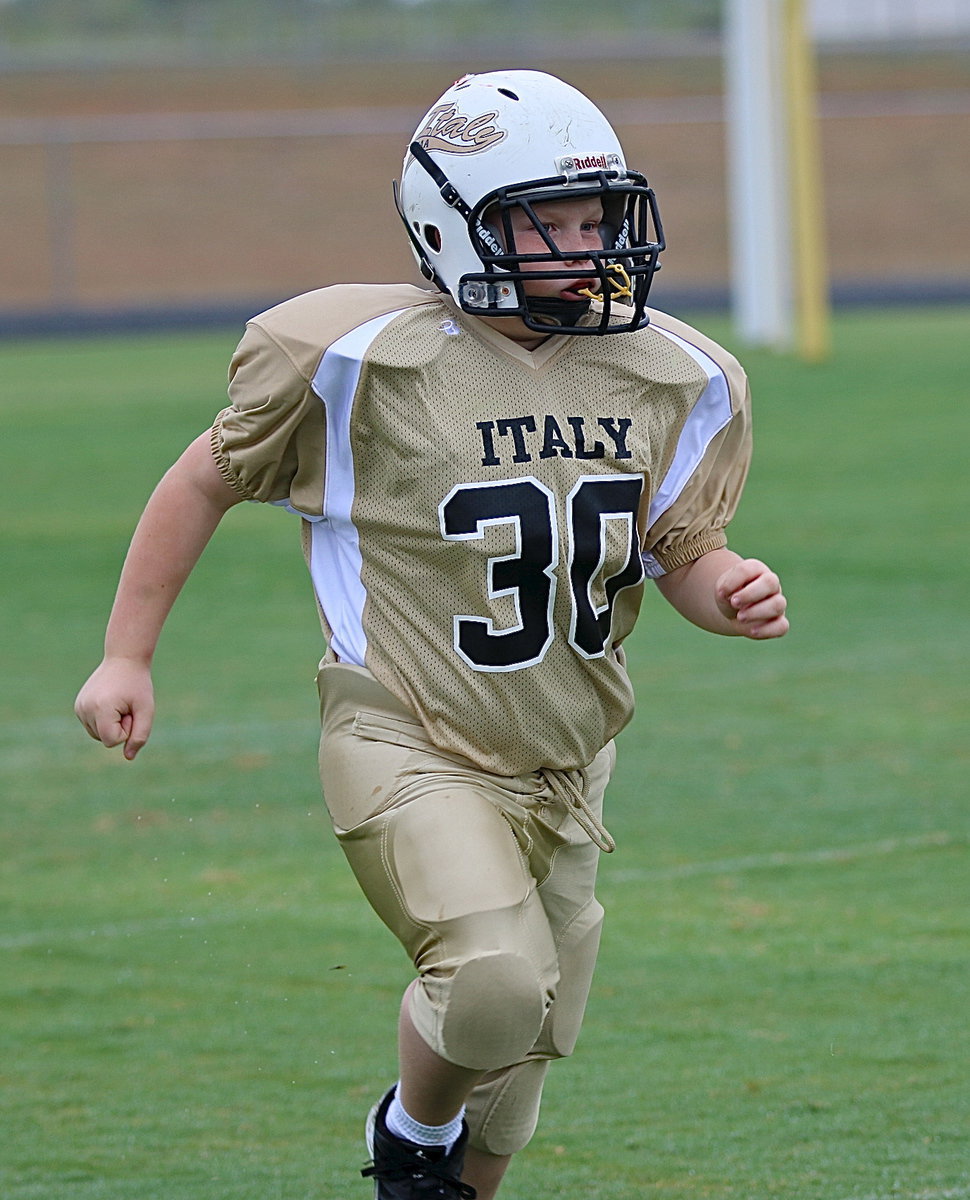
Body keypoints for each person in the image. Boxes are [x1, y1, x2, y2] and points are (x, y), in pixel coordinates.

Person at [75, 69, 789, 1199]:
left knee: (519, 1068)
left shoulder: (669, 369)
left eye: (594, 219)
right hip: (404, 732)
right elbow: (204, 479)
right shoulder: (354, 358)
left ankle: (444, 1172)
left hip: (569, 761)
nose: (585, 246)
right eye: (547, 223)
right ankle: (410, 1133)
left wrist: (728, 589)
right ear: (452, 225)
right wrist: (127, 653)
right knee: (494, 982)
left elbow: (677, 547)